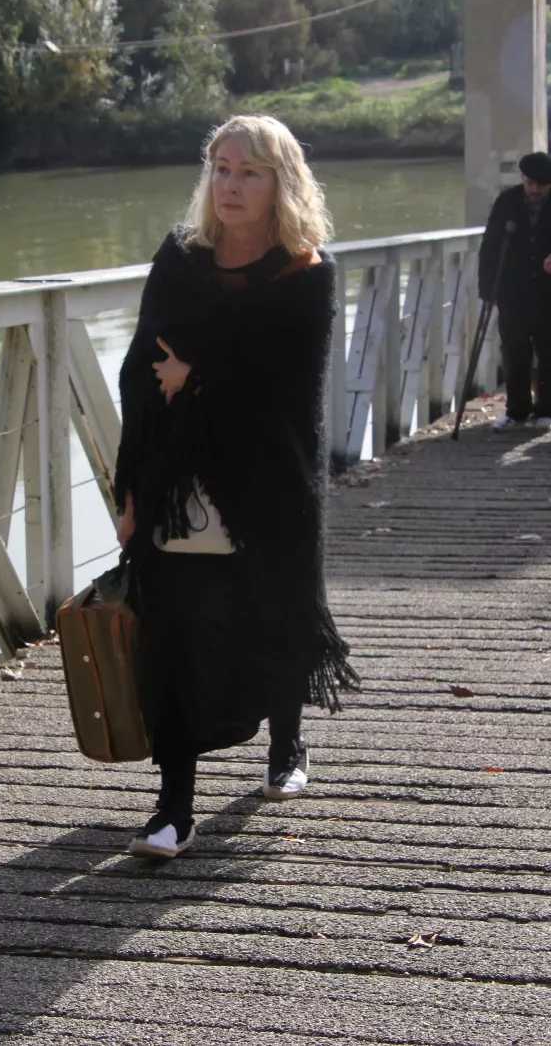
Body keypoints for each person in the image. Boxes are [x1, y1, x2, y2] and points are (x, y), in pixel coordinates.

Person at [113, 114, 358, 858]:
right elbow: (138, 372)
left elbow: (289, 390)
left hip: (270, 480)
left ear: (281, 182)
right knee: (178, 632)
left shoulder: (306, 274)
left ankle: (286, 744)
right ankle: (173, 805)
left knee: (273, 614)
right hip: (176, 480)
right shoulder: (180, 259)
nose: (230, 184)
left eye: (249, 171)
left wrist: (199, 376)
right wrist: (130, 491)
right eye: (220, 167)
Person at [478, 152, 551, 433]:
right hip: (514, 290)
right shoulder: (507, 202)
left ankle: (547, 409)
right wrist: (487, 289)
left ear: (550, 184)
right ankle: (517, 410)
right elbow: (490, 246)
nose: (534, 189)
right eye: (529, 183)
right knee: (514, 350)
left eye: (540, 185)